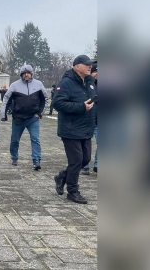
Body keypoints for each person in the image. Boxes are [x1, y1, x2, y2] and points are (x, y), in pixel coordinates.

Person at [53, 55, 96, 204]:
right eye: (87, 65)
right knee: (76, 160)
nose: (90, 67)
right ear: (77, 66)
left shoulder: (90, 82)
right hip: (70, 128)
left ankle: (62, 176)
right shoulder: (66, 82)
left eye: (91, 65)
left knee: (85, 159)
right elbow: (57, 103)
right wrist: (80, 107)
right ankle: (72, 191)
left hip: (86, 127)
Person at [0, 65, 48, 170]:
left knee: (35, 139)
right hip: (18, 118)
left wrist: (40, 113)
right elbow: (6, 99)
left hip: (33, 118)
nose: (26, 75)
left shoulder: (38, 84)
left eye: (28, 73)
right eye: (24, 73)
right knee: (14, 140)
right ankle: (14, 157)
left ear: (31, 74)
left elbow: (45, 99)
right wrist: (3, 114)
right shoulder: (14, 85)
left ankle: (36, 160)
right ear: (21, 74)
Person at [81, 62, 98, 175]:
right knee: (84, 144)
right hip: (85, 118)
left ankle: (97, 164)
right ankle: (84, 165)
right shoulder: (83, 84)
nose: (97, 74)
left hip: (98, 119)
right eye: (95, 71)